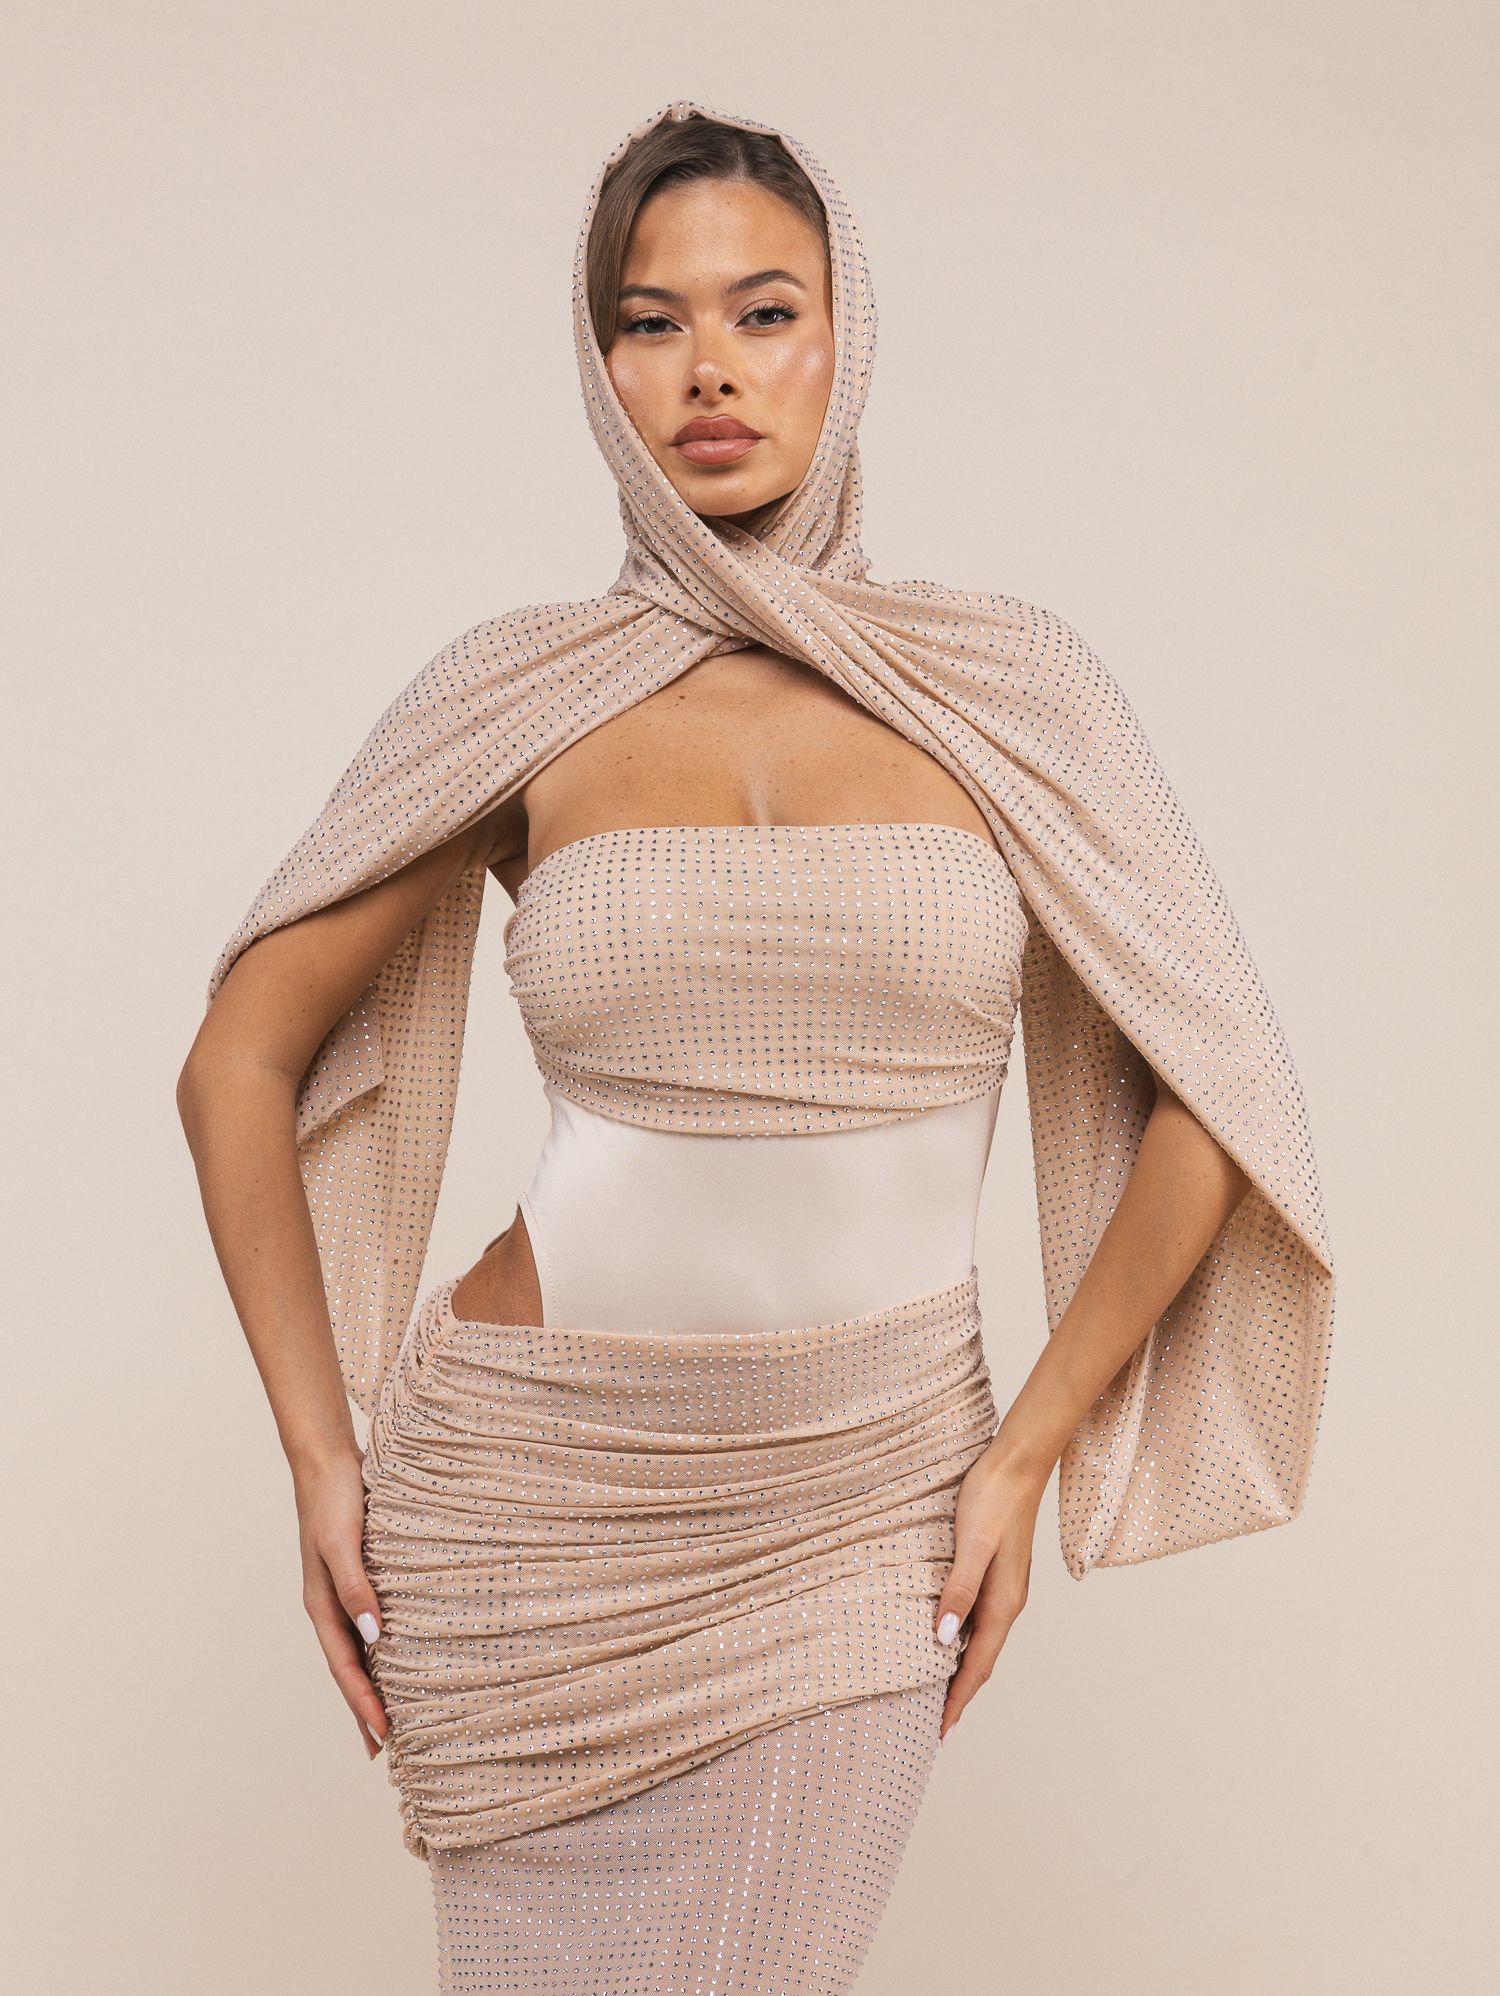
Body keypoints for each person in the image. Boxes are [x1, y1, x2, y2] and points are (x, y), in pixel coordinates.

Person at [178, 99, 1335, 1994]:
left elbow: (1220, 1095)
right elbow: (235, 1062)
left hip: (866, 1498)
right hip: (527, 1499)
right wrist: (321, 1452)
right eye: (650, 322)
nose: (708, 367)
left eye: (764, 311)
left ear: (844, 338)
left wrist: (1022, 1459)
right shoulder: (519, 693)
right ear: (600, 370)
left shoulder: (1001, 688)